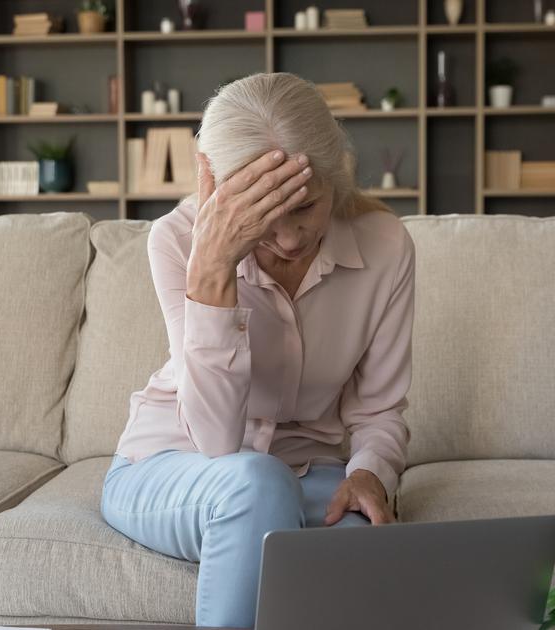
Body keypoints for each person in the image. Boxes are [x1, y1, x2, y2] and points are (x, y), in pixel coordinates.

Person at [100, 71, 415, 628]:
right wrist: (214, 269)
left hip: (307, 472)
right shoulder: (176, 241)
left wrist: (371, 472)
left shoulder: (386, 246)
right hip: (172, 467)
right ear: (216, 190)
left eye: (306, 207)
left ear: (336, 176)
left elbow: (378, 410)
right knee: (255, 481)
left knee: (364, 543)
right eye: (264, 218)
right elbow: (219, 443)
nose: (291, 239)